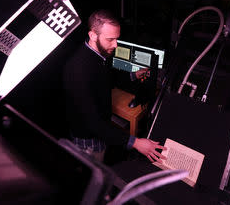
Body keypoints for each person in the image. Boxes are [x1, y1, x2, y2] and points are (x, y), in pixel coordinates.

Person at [63, 9, 166, 163]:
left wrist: (134, 74)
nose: (116, 44)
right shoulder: (78, 70)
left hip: (100, 130)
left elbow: (107, 76)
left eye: (117, 39)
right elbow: (93, 123)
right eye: (110, 39)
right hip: (89, 142)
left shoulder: (98, 54)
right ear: (93, 35)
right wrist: (136, 143)